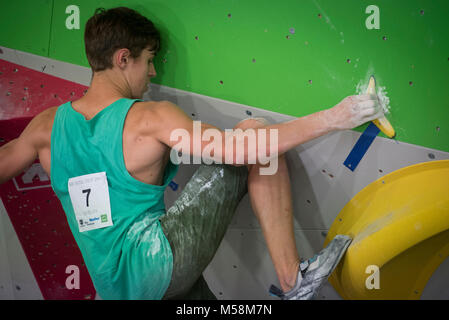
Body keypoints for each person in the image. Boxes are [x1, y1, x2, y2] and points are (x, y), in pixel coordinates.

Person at [0, 7, 383, 300]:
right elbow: (241, 149)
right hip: (159, 265)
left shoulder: (46, 128)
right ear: (122, 58)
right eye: (148, 59)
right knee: (255, 135)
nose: (152, 73)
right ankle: (292, 279)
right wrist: (335, 117)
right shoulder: (149, 117)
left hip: (116, 290)